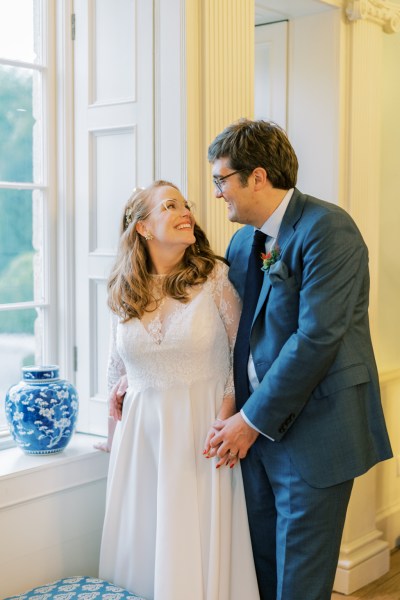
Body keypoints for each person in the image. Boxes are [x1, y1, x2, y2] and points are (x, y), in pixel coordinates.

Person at [205, 119, 393, 600]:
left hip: (316, 432)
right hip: (254, 436)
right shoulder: (244, 242)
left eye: (221, 180)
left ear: (259, 177)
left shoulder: (329, 228)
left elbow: (316, 338)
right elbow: (229, 328)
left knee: (300, 585)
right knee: (262, 570)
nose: (218, 192)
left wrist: (251, 419)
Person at [98, 180, 260, 600]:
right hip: (142, 447)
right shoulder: (123, 288)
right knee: (146, 545)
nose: (186, 211)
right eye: (170, 205)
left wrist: (225, 418)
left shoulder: (215, 278)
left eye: (185, 204)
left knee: (196, 545)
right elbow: (118, 367)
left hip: (203, 436)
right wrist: (114, 442)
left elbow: (239, 357)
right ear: (143, 228)